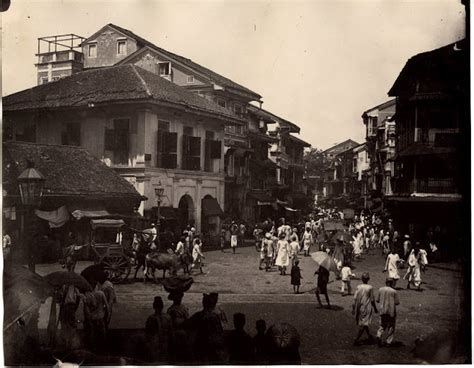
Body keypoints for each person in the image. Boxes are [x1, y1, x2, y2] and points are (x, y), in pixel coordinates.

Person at [186, 293, 225, 364]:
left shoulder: (198, 315)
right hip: (210, 345)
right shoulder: (215, 316)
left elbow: (187, 325)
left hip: (201, 344)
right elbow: (220, 331)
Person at [352, 272, 378, 346]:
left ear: (361, 279)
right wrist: (375, 308)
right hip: (367, 307)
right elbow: (372, 300)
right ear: (368, 279)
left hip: (359, 307)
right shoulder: (370, 287)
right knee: (363, 324)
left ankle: (369, 336)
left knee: (364, 322)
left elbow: (355, 298)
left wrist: (353, 308)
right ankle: (356, 339)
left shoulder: (358, 287)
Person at [145, 296, 173, 363]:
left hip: (155, 342)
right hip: (164, 341)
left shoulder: (151, 318)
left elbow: (148, 333)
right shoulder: (167, 317)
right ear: (162, 306)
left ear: (154, 306)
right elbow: (171, 332)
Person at [83, 283, 109, 353]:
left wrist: (88, 319)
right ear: (96, 286)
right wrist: (108, 315)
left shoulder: (87, 295)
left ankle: (93, 350)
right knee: (102, 334)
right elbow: (106, 305)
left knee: (93, 334)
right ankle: (103, 349)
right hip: (100, 317)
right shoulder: (101, 293)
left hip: (92, 319)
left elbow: (86, 310)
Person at [167, 291, 191, 363]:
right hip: (175, 332)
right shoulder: (171, 309)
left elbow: (187, 320)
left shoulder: (180, 308)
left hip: (180, 331)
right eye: (178, 298)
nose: (179, 299)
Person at [376, 278, 399, 347]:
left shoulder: (380, 289)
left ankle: (379, 335)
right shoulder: (394, 291)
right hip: (391, 311)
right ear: (391, 283)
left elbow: (377, 300)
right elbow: (397, 302)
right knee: (391, 326)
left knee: (382, 325)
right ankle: (388, 342)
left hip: (383, 310)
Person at [58, 284, 81, 350]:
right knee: (70, 324)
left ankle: (67, 343)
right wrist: (75, 307)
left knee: (65, 324)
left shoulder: (65, 287)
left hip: (66, 307)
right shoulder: (75, 288)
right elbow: (78, 297)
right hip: (71, 307)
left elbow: (60, 298)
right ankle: (70, 343)